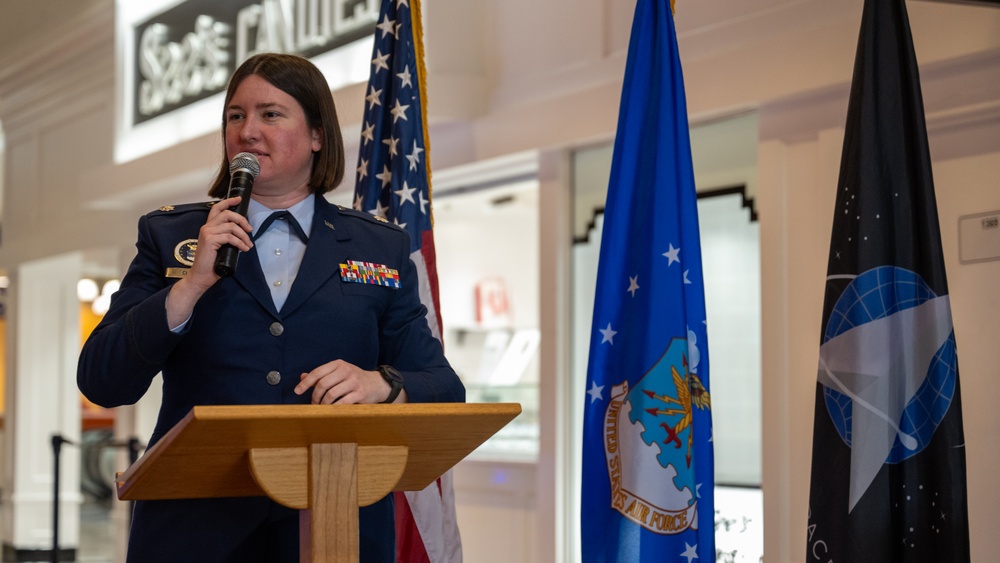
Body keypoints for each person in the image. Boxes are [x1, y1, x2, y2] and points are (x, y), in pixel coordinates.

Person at [77, 52, 465, 562]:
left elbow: (445, 385)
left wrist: (383, 384)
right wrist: (189, 288)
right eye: (235, 116)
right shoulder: (172, 236)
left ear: (317, 135)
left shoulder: (378, 247)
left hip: (335, 522)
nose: (247, 131)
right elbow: (102, 380)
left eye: (270, 114)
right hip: (193, 529)